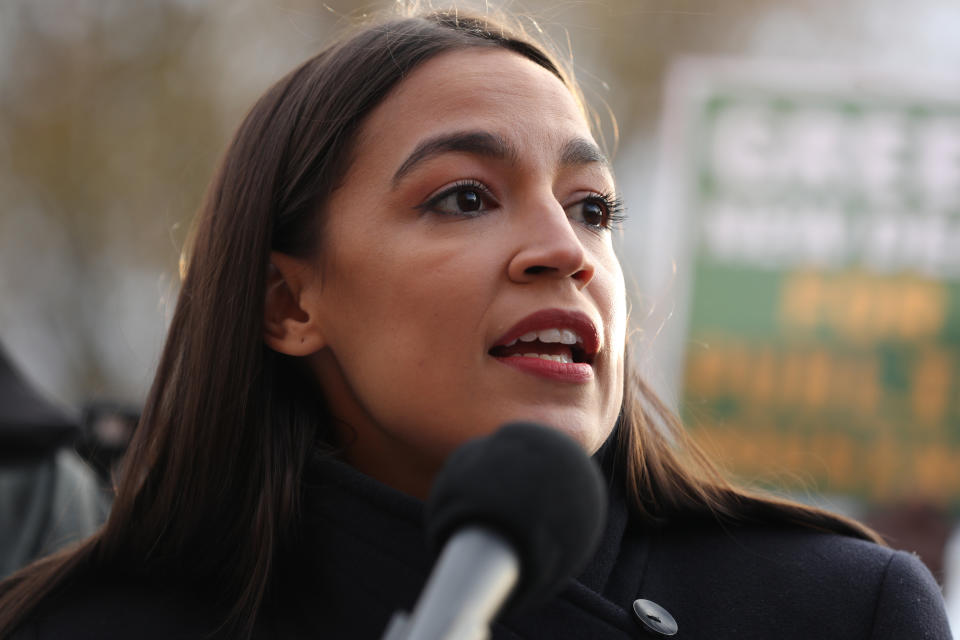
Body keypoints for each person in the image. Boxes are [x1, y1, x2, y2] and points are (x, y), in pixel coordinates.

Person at [0, 7, 951, 639]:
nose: (565, 250)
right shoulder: (78, 623)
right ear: (290, 305)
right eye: (463, 198)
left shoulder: (837, 612)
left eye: (593, 209)